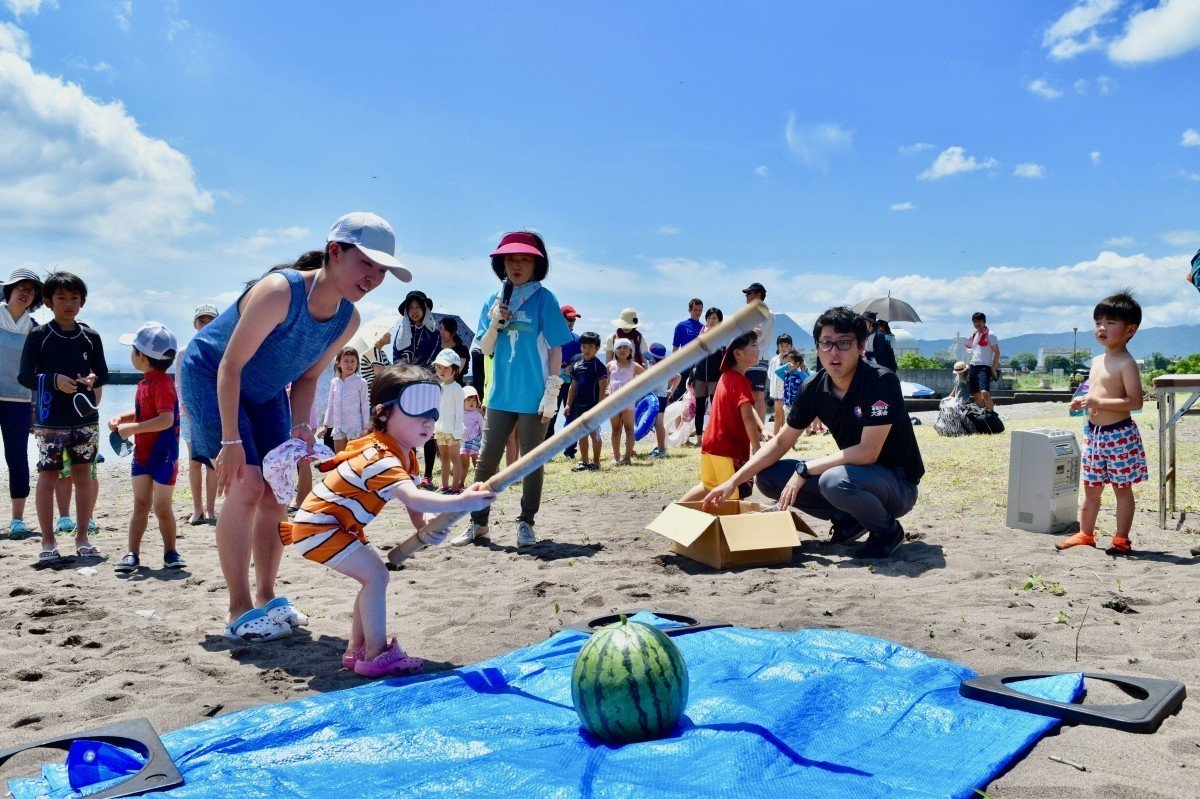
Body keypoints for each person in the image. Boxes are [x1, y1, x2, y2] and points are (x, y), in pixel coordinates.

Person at [180, 211, 411, 642]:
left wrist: (302, 427)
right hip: (212, 375)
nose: (373, 277)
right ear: (335, 252)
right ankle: (238, 609)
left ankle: (267, 596)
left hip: (266, 391)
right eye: (367, 264)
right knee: (247, 485)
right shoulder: (278, 292)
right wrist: (230, 439)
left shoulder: (349, 319)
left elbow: (306, 378)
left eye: (382, 270)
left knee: (276, 491)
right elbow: (228, 366)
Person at [279, 365, 496, 677]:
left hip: (334, 526)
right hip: (320, 527)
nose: (428, 421)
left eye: (433, 414)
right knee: (376, 577)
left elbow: (414, 504)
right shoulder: (381, 457)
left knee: (372, 578)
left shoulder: (404, 454)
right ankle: (376, 654)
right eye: (416, 411)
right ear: (382, 414)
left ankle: (357, 650)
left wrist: (422, 527)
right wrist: (463, 501)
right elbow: (413, 498)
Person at [703, 307, 924, 560]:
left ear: (861, 346)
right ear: (817, 347)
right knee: (768, 475)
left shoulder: (880, 381)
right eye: (826, 343)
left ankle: (887, 532)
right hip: (857, 477)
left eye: (844, 343)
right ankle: (849, 520)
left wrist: (805, 469)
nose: (834, 352)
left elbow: (868, 452)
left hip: (897, 484)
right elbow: (780, 442)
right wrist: (732, 481)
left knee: (834, 480)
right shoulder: (814, 387)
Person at [451, 230, 573, 548]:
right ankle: (478, 523)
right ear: (501, 264)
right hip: (500, 394)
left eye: (524, 259)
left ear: (536, 264)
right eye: (510, 259)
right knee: (486, 460)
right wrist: (494, 323)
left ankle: (526, 523)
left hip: (535, 396)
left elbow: (558, 348)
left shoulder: (545, 299)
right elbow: (485, 347)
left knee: (531, 461)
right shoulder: (494, 299)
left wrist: (552, 392)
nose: (516, 265)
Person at [18, 271, 108, 563]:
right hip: (49, 419)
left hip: (85, 418)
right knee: (48, 476)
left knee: (84, 475)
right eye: (61, 298)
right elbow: (24, 376)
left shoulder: (91, 337)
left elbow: (103, 373)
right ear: (48, 302)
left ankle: (83, 537)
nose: (68, 304)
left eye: (74, 298)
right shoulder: (38, 336)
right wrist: (53, 379)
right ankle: (48, 542)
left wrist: (93, 378)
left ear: (82, 302)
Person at [1056, 291, 1146, 554]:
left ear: (1130, 329)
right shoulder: (1096, 361)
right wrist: (1082, 401)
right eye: (1098, 322)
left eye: (1110, 323)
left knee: (1122, 489)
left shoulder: (1127, 363)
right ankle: (1085, 534)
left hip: (1119, 435)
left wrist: (1097, 403)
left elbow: (1135, 402)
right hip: (1095, 434)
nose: (1102, 328)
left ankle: (1121, 539)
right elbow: (1094, 394)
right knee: (1091, 487)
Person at [109, 323, 184, 573]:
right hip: (142, 455)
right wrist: (122, 418)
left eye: (132, 350)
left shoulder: (163, 383)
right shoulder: (145, 383)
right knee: (140, 504)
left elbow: (166, 419)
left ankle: (170, 552)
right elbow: (144, 412)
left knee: (162, 508)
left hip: (164, 456)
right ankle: (132, 553)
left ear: (141, 356)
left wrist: (131, 429)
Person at [680, 332, 765, 502]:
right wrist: (756, 448)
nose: (758, 349)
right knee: (731, 495)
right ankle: (729, 527)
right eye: (754, 346)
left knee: (707, 486)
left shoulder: (726, 376)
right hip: (728, 449)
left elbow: (747, 408)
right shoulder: (741, 381)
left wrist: (763, 428)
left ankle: (675, 511)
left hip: (710, 444)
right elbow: (747, 416)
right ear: (738, 353)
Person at [0, 267, 42, 539]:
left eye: (30, 290)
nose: (24, 293)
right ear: (9, 290)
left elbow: (37, 371)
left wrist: (35, 409)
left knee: (17, 459)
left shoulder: (35, 330)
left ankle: (17, 520)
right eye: (20, 287)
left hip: (19, 401)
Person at [394, 290, 441, 490]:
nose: (414, 311)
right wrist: (407, 372)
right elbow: (397, 356)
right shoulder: (402, 331)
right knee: (408, 428)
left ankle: (428, 476)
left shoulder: (434, 331)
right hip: (407, 384)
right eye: (410, 307)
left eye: (418, 307)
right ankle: (410, 472)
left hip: (428, 383)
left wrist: (421, 372)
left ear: (425, 309)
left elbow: (435, 356)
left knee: (428, 428)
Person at [179, 304, 218, 525]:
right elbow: (179, 385)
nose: (205, 325)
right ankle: (197, 509)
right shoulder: (184, 351)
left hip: (212, 413)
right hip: (189, 414)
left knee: (211, 463)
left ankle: (211, 509)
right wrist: (186, 408)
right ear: (195, 324)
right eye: (201, 321)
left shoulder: (220, 350)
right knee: (194, 462)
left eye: (210, 320)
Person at [565, 331, 607, 472]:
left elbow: (603, 387)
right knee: (581, 434)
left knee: (594, 433)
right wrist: (568, 404)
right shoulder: (577, 365)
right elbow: (573, 385)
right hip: (579, 405)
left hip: (593, 405)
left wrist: (600, 406)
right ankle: (584, 461)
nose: (587, 350)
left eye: (590, 347)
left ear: (597, 348)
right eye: (584, 347)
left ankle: (596, 462)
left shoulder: (599, 366)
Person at [545, 304, 582, 453]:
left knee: (572, 415)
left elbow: (582, 360)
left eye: (574, 319)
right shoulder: (549, 338)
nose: (571, 322)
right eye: (568, 319)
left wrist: (573, 367)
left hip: (571, 384)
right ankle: (547, 450)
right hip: (552, 383)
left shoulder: (579, 340)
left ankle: (570, 450)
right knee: (549, 415)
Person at [321, 347, 371, 453]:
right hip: (338, 427)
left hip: (355, 427)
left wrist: (366, 427)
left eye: (353, 361)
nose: (350, 364)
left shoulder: (361, 382)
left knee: (353, 459)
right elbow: (330, 405)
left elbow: (365, 405)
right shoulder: (334, 382)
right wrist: (325, 425)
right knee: (339, 459)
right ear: (338, 364)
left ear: (357, 364)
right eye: (346, 361)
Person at [607, 338, 645, 465]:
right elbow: (605, 382)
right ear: (615, 351)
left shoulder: (634, 365)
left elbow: (646, 378)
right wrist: (605, 393)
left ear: (630, 351)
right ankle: (616, 457)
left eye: (625, 347)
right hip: (613, 402)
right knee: (615, 429)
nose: (622, 350)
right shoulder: (610, 365)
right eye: (619, 348)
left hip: (628, 402)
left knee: (629, 429)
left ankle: (627, 457)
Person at [690, 307, 726, 443]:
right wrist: (691, 376)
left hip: (714, 376)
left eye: (714, 318)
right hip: (699, 376)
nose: (711, 321)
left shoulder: (723, 337)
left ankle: (716, 436)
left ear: (720, 321)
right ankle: (699, 439)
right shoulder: (700, 336)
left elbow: (725, 357)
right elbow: (695, 357)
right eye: (709, 318)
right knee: (699, 407)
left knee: (715, 407)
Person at [432, 349, 466, 493]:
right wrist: (434, 428)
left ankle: (455, 487)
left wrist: (457, 432)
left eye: (446, 367)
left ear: (455, 369)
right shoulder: (438, 387)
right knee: (444, 458)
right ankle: (444, 485)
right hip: (440, 429)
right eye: (439, 367)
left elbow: (459, 413)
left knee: (455, 459)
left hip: (453, 431)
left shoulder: (457, 389)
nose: (442, 371)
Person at [742, 282, 775, 424]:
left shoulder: (766, 314)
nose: (746, 296)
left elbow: (756, 336)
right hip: (745, 359)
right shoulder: (748, 315)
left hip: (758, 358)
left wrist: (743, 332)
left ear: (758, 295)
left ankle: (760, 430)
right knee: (745, 396)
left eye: (749, 293)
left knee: (758, 394)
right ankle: (748, 429)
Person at [644, 342, 677, 457]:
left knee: (658, 425)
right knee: (658, 425)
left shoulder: (654, 368)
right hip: (662, 397)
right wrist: (671, 389)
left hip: (655, 398)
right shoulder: (666, 367)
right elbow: (678, 376)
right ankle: (660, 448)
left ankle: (662, 450)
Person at [670, 298, 704, 403]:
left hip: (699, 364)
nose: (697, 312)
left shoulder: (704, 328)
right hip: (684, 364)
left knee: (696, 394)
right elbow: (675, 348)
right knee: (680, 392)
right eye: (695, 310)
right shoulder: (681, 326)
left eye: (700, 310)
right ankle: (677, 418)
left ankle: (692, 418)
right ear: (689, 310)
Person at [966, 312, 1000, 410]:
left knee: (984, 392)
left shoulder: (990, 334)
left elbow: (997, 352)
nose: (977, 323)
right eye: (975, 321)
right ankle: (981, 415)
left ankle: (992, 415)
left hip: (984, 366)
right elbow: (973, 352)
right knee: (976, 393)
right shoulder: (974, 334)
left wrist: (993, 369)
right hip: (973, 365)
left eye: (979, 321)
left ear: (984, 321)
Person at [767, 333, 794, 435]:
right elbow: (770, 374)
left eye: (786, 346)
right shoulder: (774, 360)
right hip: (777, 393)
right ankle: (775, 437)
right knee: (778, 415)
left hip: (790, 392)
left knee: (788, 416)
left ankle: (788, 438)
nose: (784, 348)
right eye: (781, 346)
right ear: (777, 346)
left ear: (791, 346)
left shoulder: (793, 359)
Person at [438, 317, 471, 386]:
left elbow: (456, 372)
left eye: (446, 329)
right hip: (436, 387)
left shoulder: (461, 350)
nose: (442, 333)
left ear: (453, 332)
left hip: (455, 389)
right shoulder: (435, 348)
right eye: (440, 329)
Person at [460, 386, 484, 475]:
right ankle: (461, 482)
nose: (472, 403)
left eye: (474, 400)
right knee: (464, 464)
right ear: (462, 401)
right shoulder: (459, 414)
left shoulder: (477, 415)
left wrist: (483, 441)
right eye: (468, 400)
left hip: (475, 441)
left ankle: (479, 478)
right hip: (463, 441)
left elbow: (483, 428)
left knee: (476, 462)